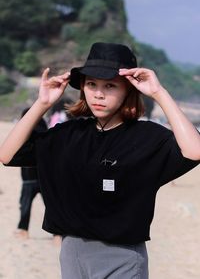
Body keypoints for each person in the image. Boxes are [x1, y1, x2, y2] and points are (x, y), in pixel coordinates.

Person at [0, 42, 200, 279]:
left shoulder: (147, 137)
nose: (98, 94)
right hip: (72, 251)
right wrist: (42, 103)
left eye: (110, 86)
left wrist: (159, 92)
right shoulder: (68, 134)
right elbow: (7, 155)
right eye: (91, 84)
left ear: (128, 89)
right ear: (83, 87)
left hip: (123, 257)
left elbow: (194, 151)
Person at [15, 108, 48, 239]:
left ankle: (24, 231)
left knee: (25, 205)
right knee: (52, 206)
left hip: (28, 178)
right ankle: (58, 234)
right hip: (45, 178)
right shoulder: (45, 130)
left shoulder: (24, 132)